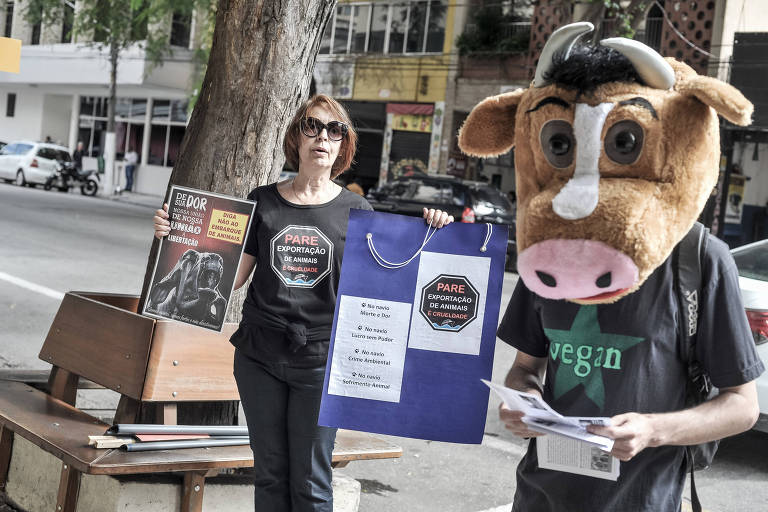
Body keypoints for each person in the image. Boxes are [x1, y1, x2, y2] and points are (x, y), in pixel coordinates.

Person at [153, 94, 453, 511]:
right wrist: (176, 236)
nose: (322, 137)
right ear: (297, 137)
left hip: (322, 364)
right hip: (259, 358)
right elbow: (230, 280)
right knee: (269, 475)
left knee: (311, 482)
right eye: (312, 126)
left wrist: (434, 229)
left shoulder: (358, 211)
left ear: (343, 145)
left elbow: (390, 284)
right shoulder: (262, 201)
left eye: (335, 130)